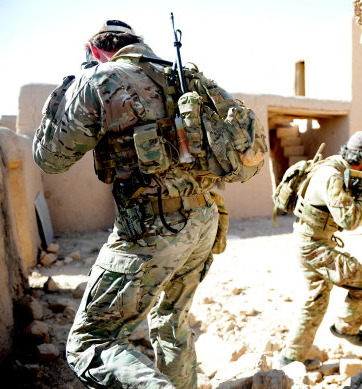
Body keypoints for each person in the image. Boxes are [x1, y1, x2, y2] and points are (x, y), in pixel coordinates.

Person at [33, 20, 222, 388]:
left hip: (153, 227)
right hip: (205, 219)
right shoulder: (183, 76)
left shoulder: (101, 79)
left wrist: (69, 91)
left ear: (97, 50)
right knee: (171, 321)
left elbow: (51, 159)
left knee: (91, 342)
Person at [279, 131, 362, 370]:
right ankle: (346, 327)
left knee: (316, 298)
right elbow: (349, 218)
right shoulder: (332, 176)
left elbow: (355, 193)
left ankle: (292, 356)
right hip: (314, 246)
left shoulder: (338, 167)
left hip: (308, 240)